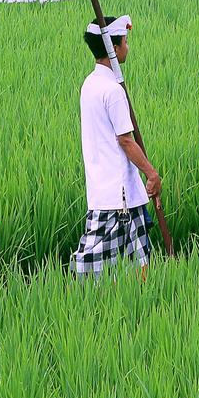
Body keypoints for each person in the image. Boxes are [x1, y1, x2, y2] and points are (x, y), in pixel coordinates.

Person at [72, 15, 162, 277]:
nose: (127, 47)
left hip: (104, 187)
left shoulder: (90, 84)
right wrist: (151, 172)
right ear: (115, 47)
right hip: (118, 193)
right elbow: (125, 140)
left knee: (135, 256)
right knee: (96, 264)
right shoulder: (112, 90)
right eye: (125, 41)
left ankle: (136, 303)